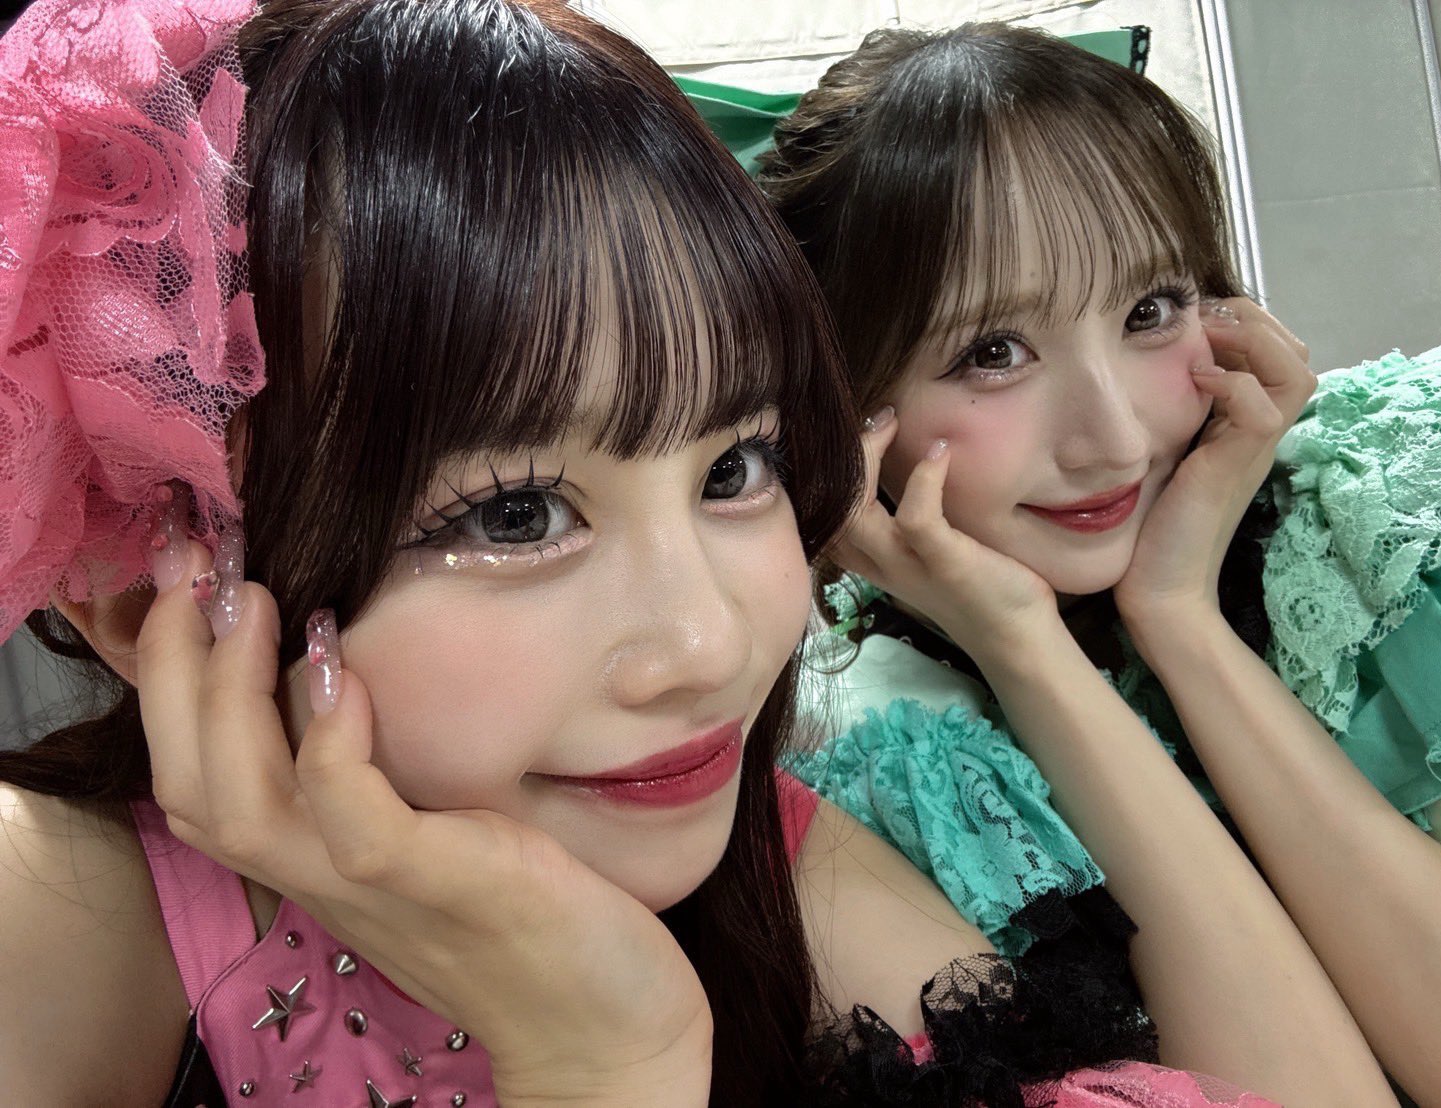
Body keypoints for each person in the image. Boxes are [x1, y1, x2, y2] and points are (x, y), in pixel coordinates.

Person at [0, 1, 1346, 1105]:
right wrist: (605, 1063)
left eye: (733, 469)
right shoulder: (58, 912)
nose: (710, 650)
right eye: (516, 515)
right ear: (145, 600)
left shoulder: (764, 843)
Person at [759, 19, 1441, 1107]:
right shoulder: (875, 759)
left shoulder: (1384, 531)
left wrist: (1178, 617)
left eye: (1149, 310)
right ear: (843, 402)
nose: (1113, 439)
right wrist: (1022, 648)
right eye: (991, 353)